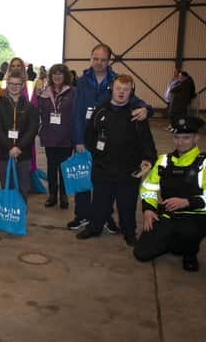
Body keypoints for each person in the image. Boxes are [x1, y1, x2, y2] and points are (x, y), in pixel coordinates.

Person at [69, 43, 152, 231]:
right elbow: (77, 113)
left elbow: (134, 100)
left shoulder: (116, 81)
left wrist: (147, 109)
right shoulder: (81, 82)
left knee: (105, 184)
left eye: (103, 59)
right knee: (82, 179)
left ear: (109, 61)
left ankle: (105, 218)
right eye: (95, 58)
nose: (98, 62)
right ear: (90, 58)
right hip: (86, 139)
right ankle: (81, 215)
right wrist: (79, 140)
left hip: (107, 140)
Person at [77, 75, 157, 246]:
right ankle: (95, 227)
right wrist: (97, 156)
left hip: (128, 170)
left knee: (127, 205)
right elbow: (90, 136)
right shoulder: (100, 111)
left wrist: (149, 159)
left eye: (126, 90)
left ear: (131, 92)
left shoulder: (136, 114)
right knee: (100, 202)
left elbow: (146, 140)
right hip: (103, 168)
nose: (122, 93)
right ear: (112, 89)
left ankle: (129, 232)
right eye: (119, 88)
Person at [134, 116, 206, 271]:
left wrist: (188, 202)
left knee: (189, 233)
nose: (180, 142)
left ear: (197, 138)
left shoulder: (204, 163)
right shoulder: (164, 160)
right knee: (142, 253)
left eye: (186, 138)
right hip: (169, 214)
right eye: (177, 137)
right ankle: (172, 241)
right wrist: (149, 209)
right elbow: (149, 188)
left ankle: (190, 253)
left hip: (195, 217)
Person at [0, 69, 39, 203]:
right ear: (7, 84)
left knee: (23, 190)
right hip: (4, 155)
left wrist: (18, 147)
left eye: (17, 84)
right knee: (7, 188)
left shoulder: (30, 107)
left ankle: (20, 219)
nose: (14, 86)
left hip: (23, 156)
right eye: (11, 83)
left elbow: (32, 130)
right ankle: (8, 219)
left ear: (22, 86)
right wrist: (10, 148)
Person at [37, 64, 75, 208]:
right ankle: (52, 195)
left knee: (64, 168)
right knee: (51, 167)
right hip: (49, 136)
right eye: (54, 73)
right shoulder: (44, 93)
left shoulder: (73, 93)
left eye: (60, 73)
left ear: (65, 76)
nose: (57, 76)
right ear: (50, 76)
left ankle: (64, 196)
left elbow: (76, 115)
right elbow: (38, 113)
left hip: (66, 136)